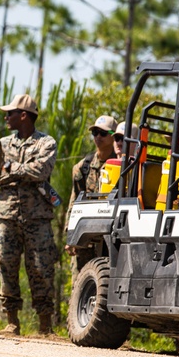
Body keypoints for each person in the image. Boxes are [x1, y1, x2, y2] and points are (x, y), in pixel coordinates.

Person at [0, 94, 59, 336]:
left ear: (23, 115)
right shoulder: (2, 144)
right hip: (6, 216)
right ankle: (12, 322)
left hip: (37, 218)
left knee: (42, 270)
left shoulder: (46, 143)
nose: (6, 117)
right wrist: (20, 172)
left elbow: (42, 170)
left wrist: (12, 169)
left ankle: (45, 325)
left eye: (10, 113)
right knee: (6, 267)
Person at [64, 114, 117, 270]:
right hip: (85, 236)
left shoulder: (122, 166)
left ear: (115, 137)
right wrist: (70, 235)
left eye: (103, 133)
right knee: (81, 282)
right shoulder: (82, 167)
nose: (98, 137)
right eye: (95, 133)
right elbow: (74, 202)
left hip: (109, 237)